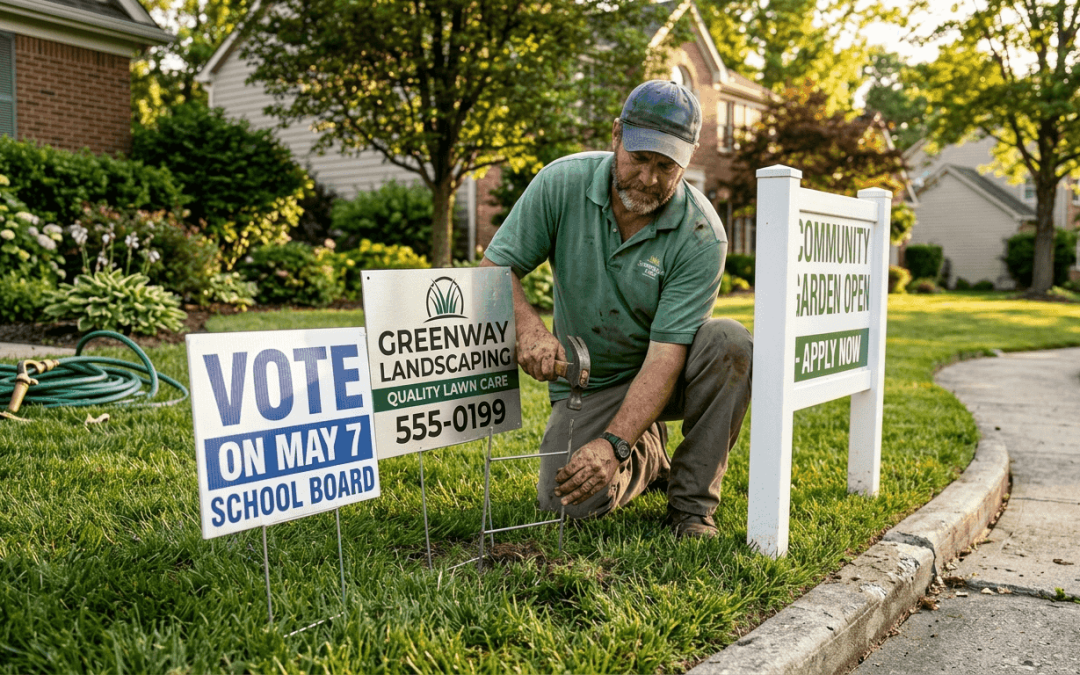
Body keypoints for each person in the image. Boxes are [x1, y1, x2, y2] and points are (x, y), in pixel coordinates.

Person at [480, 80, 752, 538]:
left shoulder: (702, 234)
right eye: (639, 158)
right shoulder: (560, 183)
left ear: (688, 159)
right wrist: (528, 328)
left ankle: (691, 505)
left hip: (672, 371)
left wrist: (611, 444)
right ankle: (648, 453)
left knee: (730, 342)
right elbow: (493, 270)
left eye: (666, 166)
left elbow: (666, 356)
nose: (648, 179)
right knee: (565, 503)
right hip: (592, 379)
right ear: (616, 135)